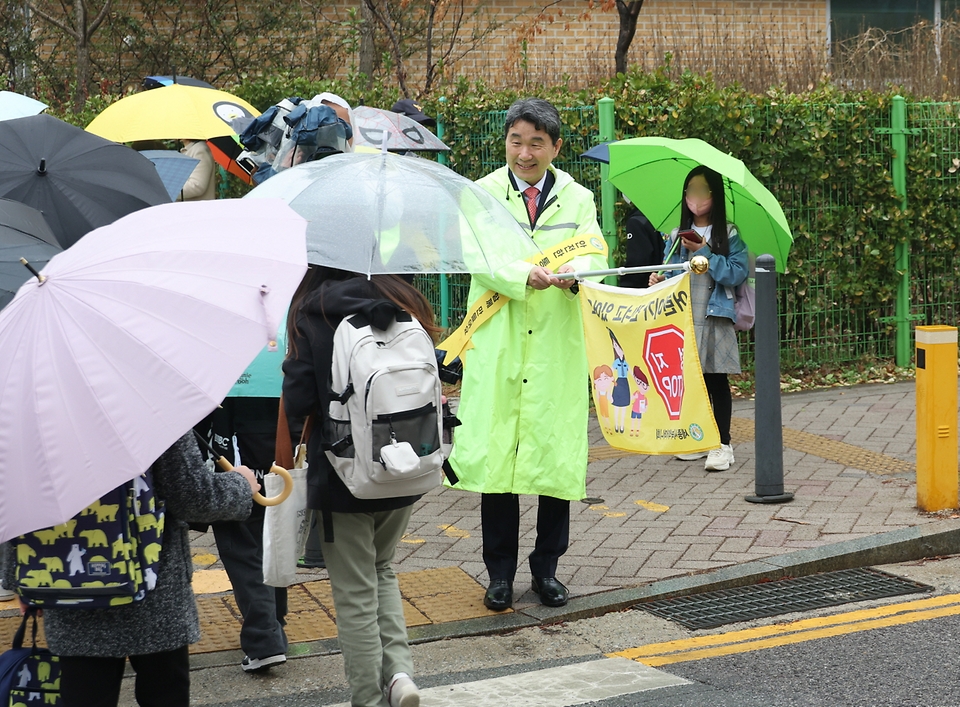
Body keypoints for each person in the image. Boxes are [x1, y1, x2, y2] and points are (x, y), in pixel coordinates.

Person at [447, 97, 607, 611]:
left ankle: (547, 571)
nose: (525, 152)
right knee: (499, 462)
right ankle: (499, 574)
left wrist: (574, 272)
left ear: (555, 147)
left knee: (553, 459)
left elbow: (594, 252)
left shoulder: (578, 197)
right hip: (499, 340)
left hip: (554, 344)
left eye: (537, 142)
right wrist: (522, 275)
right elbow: (478, 255)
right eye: (517, 140)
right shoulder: (483, 194)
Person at [1, 434, 259, 707]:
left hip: (66, 588)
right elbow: (191, 496)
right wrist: (241, 484)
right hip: (155, 587)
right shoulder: (148, 407)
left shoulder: (32, 415)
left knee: (84, 694)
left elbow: (14, 500)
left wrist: (21, 580)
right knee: (164, 693)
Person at [282, 266, 437, 707]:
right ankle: (400, 676)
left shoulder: (313, 312)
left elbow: (299, 401)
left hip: (344, 473)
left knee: (353, 591)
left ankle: (367, 698)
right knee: (382, 568)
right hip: (407, 464)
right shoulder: (403, 298)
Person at [648, 165, 748, 472]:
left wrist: (705, 250)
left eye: (703, 191)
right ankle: (699, 439)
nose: (696, 197)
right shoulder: (676, 236)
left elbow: (736, 273)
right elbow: (670, 273)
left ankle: (723, 445)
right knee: (692, 382)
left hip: (715, 315)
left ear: (714, 196)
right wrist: (658, 279)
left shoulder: (729, 234)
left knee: (716, 380)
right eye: (691, 191)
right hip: (683, 317)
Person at [207, 399, 290, 673]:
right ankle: (274, 624)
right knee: (273, 537)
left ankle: (264, 640)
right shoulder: (277, 356)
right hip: (277, 441)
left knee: (242, 547)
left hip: (230, 448)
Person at [617, 195, 664, 288]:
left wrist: (626, 286)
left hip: (644, 289)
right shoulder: (660, 216)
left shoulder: (637, 221)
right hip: (663, 285)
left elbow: (638, 261)